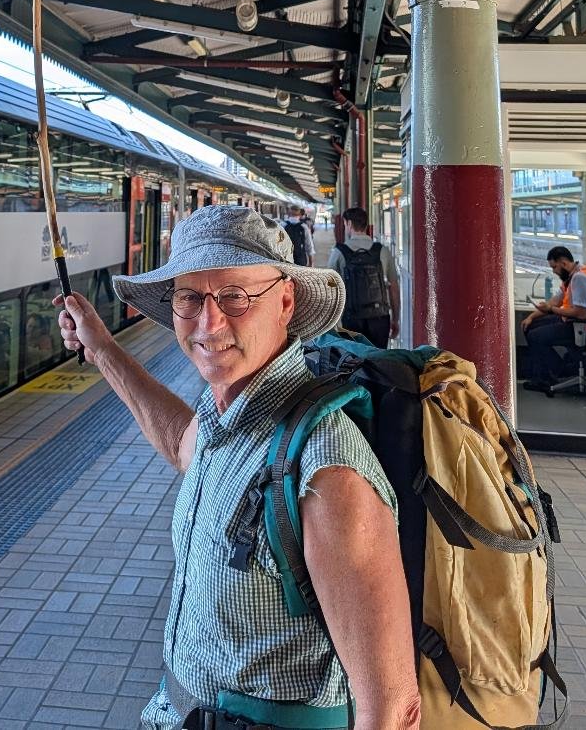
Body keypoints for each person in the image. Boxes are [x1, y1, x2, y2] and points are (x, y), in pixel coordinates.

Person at [56, 206, 420, 730]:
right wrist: (104, 350)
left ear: (286, 301)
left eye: (234, 296)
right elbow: (187, 445)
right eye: (190, 298)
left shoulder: (328, 476)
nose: (209, 324)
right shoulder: (225, 413)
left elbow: (393, 707)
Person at [520, 245, 586, 391]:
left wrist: (553, 310)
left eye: (554, 267)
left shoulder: (580, 279)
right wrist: (531, 317)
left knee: (535, 336)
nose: (554, 271)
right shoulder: (572, 276)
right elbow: (554, 302)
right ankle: (552, 372)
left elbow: (581, 313)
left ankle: (552, 374)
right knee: (531, 326)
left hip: (584, 329)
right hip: (572, 323)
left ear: (564, 263)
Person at [327, 208, 400, 348]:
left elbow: (330, 289)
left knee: (354, 363)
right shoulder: (382, 251)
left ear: (348, 224)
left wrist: (333, 323)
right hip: (380, 318)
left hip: (351, 319)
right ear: (366, 224)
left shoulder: (339, 252)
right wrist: (395, 319)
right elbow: (394, 288)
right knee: (378, 361)